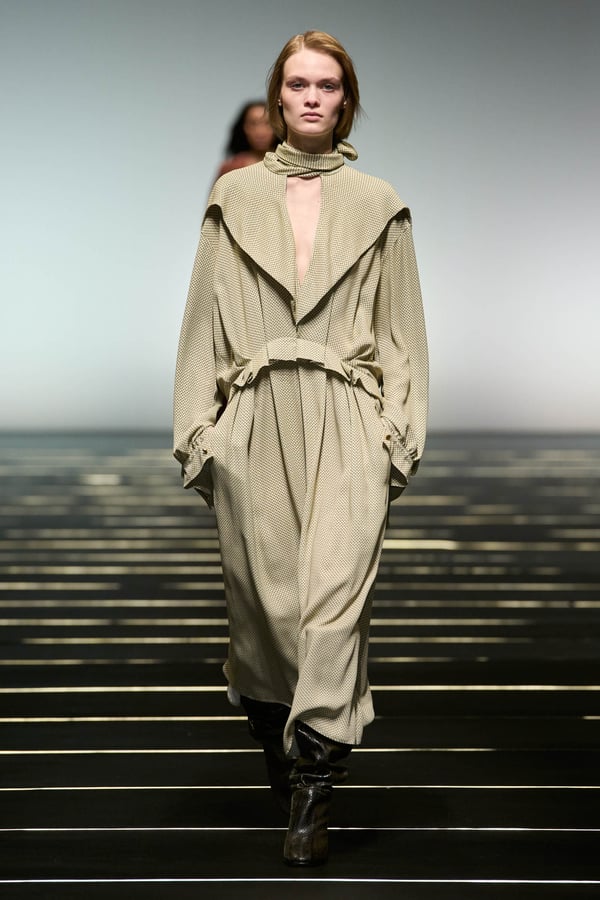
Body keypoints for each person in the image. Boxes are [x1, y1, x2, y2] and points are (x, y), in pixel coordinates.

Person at [173, 30, 428, 866]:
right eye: (298, 84)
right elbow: (202, 324)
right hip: (255, 419)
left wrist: (396, 440)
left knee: (333, 608)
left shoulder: (380, 204)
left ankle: (314, 785)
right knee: (267, 614)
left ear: (345, 99)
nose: (312, 97)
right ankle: (278, 735)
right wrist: (201, 438)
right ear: (276, 96)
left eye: (327, 85)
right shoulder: (234, 199)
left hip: (349, 419)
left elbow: (404, 333)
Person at [214, 100, 276, 180]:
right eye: (253, 124)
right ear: (244, 128)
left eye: (267, 124)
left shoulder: (287, 165)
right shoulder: (231, 168)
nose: (260, 132)